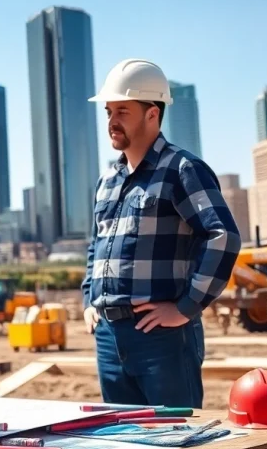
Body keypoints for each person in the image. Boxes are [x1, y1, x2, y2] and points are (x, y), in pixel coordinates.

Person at [81, 58, 241, 409]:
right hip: (108, 336)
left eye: (122, 111)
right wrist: (89, 300)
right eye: (108, 111)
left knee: (176, 443)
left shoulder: (182, 170)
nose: (111, 121)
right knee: (125, 446)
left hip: (161, 338)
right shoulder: (107, 181)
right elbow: (98, 245)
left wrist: (186, 307)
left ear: (152, 114)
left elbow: (222, 236)